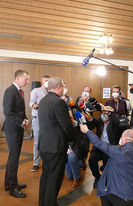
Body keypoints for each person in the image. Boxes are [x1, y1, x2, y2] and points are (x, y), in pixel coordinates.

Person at [80, 126, 133, 206]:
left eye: (121, 136)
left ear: (125, 139)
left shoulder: (117, 151)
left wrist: (87, 131)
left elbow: (98, 143)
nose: (120, 138)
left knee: (105, 193)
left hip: (123, 198)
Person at [38, 77, 76, 206]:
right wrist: (73, 139)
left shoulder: (43, 100)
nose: (64, 89)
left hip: (44, 145)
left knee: (46, 176)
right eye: (63, 86)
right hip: (56, 147)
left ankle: (43, 202)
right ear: (59, 87)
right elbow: (66, 126)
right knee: (54, 179)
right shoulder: (59, 103)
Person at [2, 70, 29, 198]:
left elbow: (20, 110)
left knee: (14, 156)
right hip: (12, 128)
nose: (27, 82)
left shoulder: (20, 91)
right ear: (18, 78)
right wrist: (21, 122)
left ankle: (8, 182)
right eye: (26, 79)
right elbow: (8, 112)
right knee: (14, 157)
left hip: (18, 127)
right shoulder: (10, 91)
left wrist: (26, 119)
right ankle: (13, 187)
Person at [83, 105, 120, 189]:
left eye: (106, 112)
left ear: (111, 114)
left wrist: (107, 109)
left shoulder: (114, 122)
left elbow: (116, 120)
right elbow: (93, 123)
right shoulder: (100, 120)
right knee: (91, 160)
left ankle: (106, 179)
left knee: (107, 164)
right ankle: (97, 177)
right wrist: (90, 119)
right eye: (102, 112)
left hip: (109, 147)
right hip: (99, 146)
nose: (104, 114)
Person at [29, 75, 50, 172]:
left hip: (48, 120)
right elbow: (31, 104)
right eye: (46, 81)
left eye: (49, 81)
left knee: (48, 141)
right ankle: (36, 163)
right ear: (42, 82)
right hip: (37, 119)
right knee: (37, 141)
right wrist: (36, 106)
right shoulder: (36, 91)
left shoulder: (51, 92)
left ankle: (47, 162)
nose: (47, 82)